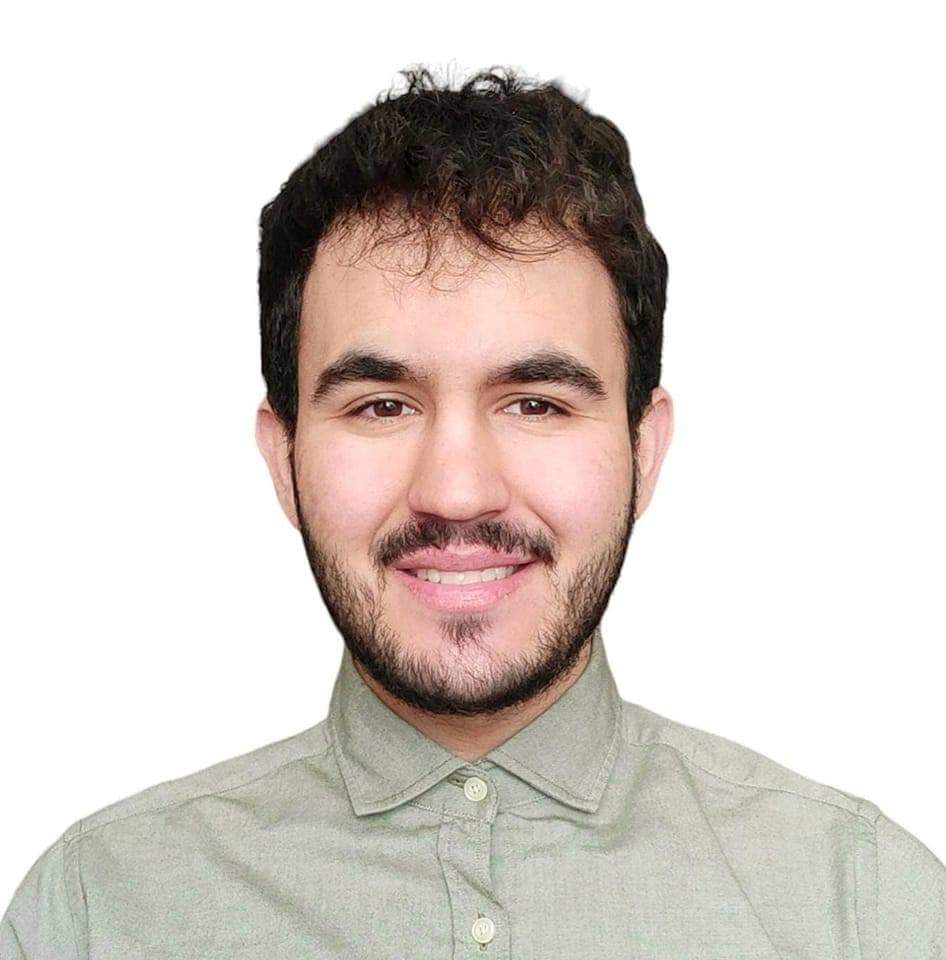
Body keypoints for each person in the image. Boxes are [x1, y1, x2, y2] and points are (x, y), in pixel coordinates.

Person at [2, 64, 943, 959]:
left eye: (535, 403)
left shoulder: (863, 906)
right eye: (382, 406)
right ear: (284, 460)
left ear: (643, 452)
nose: (456, 492)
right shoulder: (94, 913)